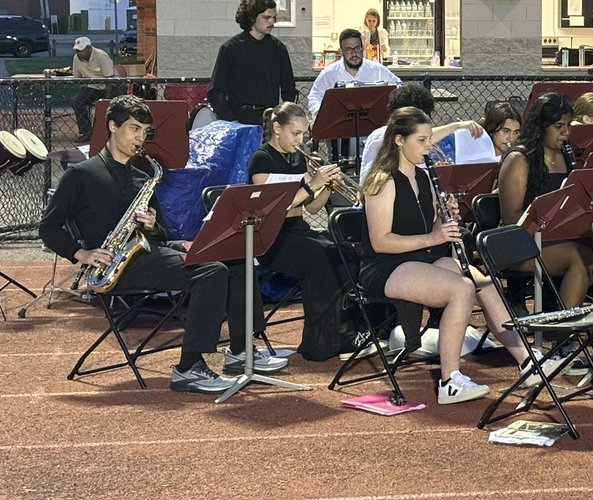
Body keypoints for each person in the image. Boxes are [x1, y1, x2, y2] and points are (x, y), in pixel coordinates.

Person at [39, 95, 286, 393]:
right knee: (211, 271)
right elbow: (48, 227)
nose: (140, 138)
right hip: (115, 266)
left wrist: (153, 224)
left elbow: (161, 234)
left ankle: (240, 351)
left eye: (145, 131)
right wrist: (82, 253)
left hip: (145, 253)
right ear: (112, 126)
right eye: (134, 129)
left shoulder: (143, 177)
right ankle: (188, 367)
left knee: (236, 258)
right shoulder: (82, 174)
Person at [360, 107, 536, 404]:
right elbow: (381, 242)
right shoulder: (382, 180)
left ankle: (527, 362)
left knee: (483, 281)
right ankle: (449, 380)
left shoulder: (423, 175)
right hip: (384, 266)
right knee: (461, 288)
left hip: (417, 258)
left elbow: (426, 228)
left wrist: (445, 221)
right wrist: (434, 236)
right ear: (399, 140)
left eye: (430, 139)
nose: (430, 146)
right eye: (422, 140)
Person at [248, 101, 366, 361]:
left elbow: (312, 208)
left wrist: (327, 187)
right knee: (321, 257)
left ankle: (348, 330)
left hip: (298, 231)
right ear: (277, 128)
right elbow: (276, 206)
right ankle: (321, 342)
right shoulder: (261, 159)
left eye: (304, 134)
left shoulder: (299, 158)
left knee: (345, 251)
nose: (301, 140)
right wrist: (314, 183)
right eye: (296, 133)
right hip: (271, 239)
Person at [497, 93, 593, 310]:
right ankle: (566, 335)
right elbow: (511, 219)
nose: (566, 133)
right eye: (559, 126)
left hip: (555, 238)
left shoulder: (565, 156)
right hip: (518, 244)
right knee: (580, 258)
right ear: (541, 127)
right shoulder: (519, 160)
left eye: (569, 126)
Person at [209, 0, 298, 125]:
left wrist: (284, 118)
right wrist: (231, 121)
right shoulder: (230, 48)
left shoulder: (278, 48)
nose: (272, 22)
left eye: (274, 18)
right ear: (251, 18)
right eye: (266, 18)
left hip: (269, 118)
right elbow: (216, 91)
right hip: (239, 118)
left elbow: (288, 88)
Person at [360, 84, 486, 173]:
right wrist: (455, 126)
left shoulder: (411, 144)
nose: (428, 144)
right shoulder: (381, 136)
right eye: (421, 139)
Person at [306, 28, 401, 120]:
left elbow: (399, 87)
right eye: (348, 49)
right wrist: (320, 115)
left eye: (357, 48)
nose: (354, 53)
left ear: (362, 48)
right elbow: (315, 96)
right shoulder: (329, 73)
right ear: (341, 52)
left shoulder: (378, 70)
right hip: (340, 130)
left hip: (373, 128)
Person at [70, 35, 115, 140]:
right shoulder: (76, 58)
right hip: (92, 87)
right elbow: (77, 77)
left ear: (89, 48)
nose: (79, 53)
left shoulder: (101, 56)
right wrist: (83, 86)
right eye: (77, 50)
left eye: (81, 50)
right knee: (76, 101)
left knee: (112, 105)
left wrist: (107, 99)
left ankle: (108, 131)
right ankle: (86, 132)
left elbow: (110, 79)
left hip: (108, 86)